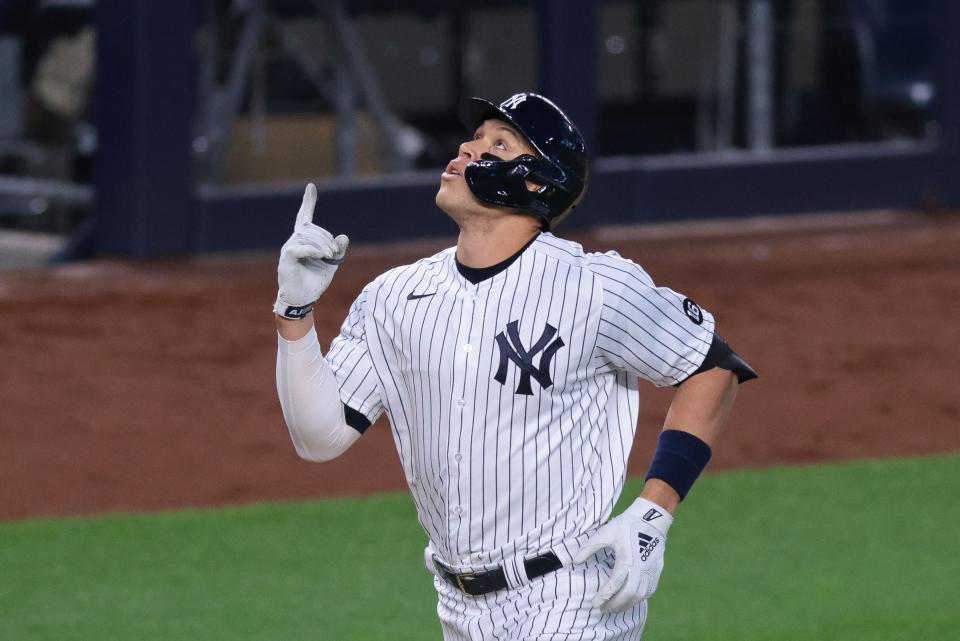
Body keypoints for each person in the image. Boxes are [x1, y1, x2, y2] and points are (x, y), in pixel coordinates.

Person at [273, 92, 756, 640]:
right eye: (474, 139)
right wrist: (295, 316)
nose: (467, 148)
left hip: (572, 596)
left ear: (534, 181)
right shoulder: (394, 297)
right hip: (457, 607)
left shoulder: (595, 287)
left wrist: (654, 510)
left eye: (497, 144)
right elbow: (321, 437)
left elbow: (712, 365)